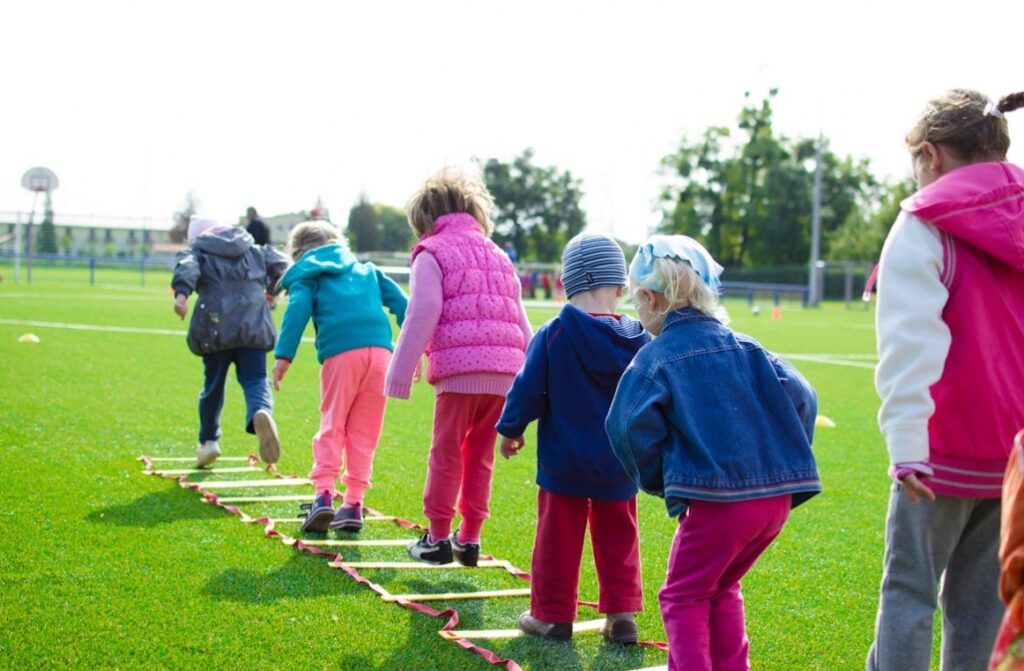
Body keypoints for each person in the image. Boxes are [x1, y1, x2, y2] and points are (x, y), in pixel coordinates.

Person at [606, 235, 821, 671]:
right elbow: (804, 395)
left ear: (650, 298)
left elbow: (625, 425)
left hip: (718, 505)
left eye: (636, 299)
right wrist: (780, 457)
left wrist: (660, 479)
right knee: (722, 586)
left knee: (682, 594)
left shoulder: (656, 357)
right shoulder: (750, 346)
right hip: (775, 503)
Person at [867, 89, 1024, 671]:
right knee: (982, 604)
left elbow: (911, 345)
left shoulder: (923, 223)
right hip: (1014, 456)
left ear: (930, 155)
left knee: (909, 592)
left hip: (941, 448)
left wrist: (908, 447)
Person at [496, 233, 650, 644]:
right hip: (620, 463)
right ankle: (621, 616)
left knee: (557, 540)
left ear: (565, 283)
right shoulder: (641, 339)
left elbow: (528, 388)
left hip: (563, 462)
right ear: (620, 287)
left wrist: (511, 429)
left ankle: (552, 615)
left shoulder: (554, 333)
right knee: (620, 537)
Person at [385, 167, 532, 566]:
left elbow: (424, 310)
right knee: (479, 455)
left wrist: (401, 369)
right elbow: (521, 320)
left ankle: (436, 538)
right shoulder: (499, 255)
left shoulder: (431, 252)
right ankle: (469, 538)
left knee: (446, 453)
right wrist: (533, 381)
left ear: (425, 219)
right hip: (505, 374)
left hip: (459, 372)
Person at [272, 221, 408, 533]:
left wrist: (284, 355)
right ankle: (353, 504)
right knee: (365, 431)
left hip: (342, 353)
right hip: (381, 354)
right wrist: (415, 350)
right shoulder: (368, 270)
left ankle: (323, 496)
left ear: (297, 252)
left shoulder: (309, 274)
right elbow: (405, 306)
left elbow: (298, 309)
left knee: (333, 423)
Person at [171, 215, 287, 468]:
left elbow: (187, 267)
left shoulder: (199, 251)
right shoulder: (252, 247)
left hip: (215, 325)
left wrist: (181, 295)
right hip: (254, 323)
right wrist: (272, 290)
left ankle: (208, 442)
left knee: (213, 385)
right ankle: (260, 410)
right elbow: (280, 264)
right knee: (256, 378)